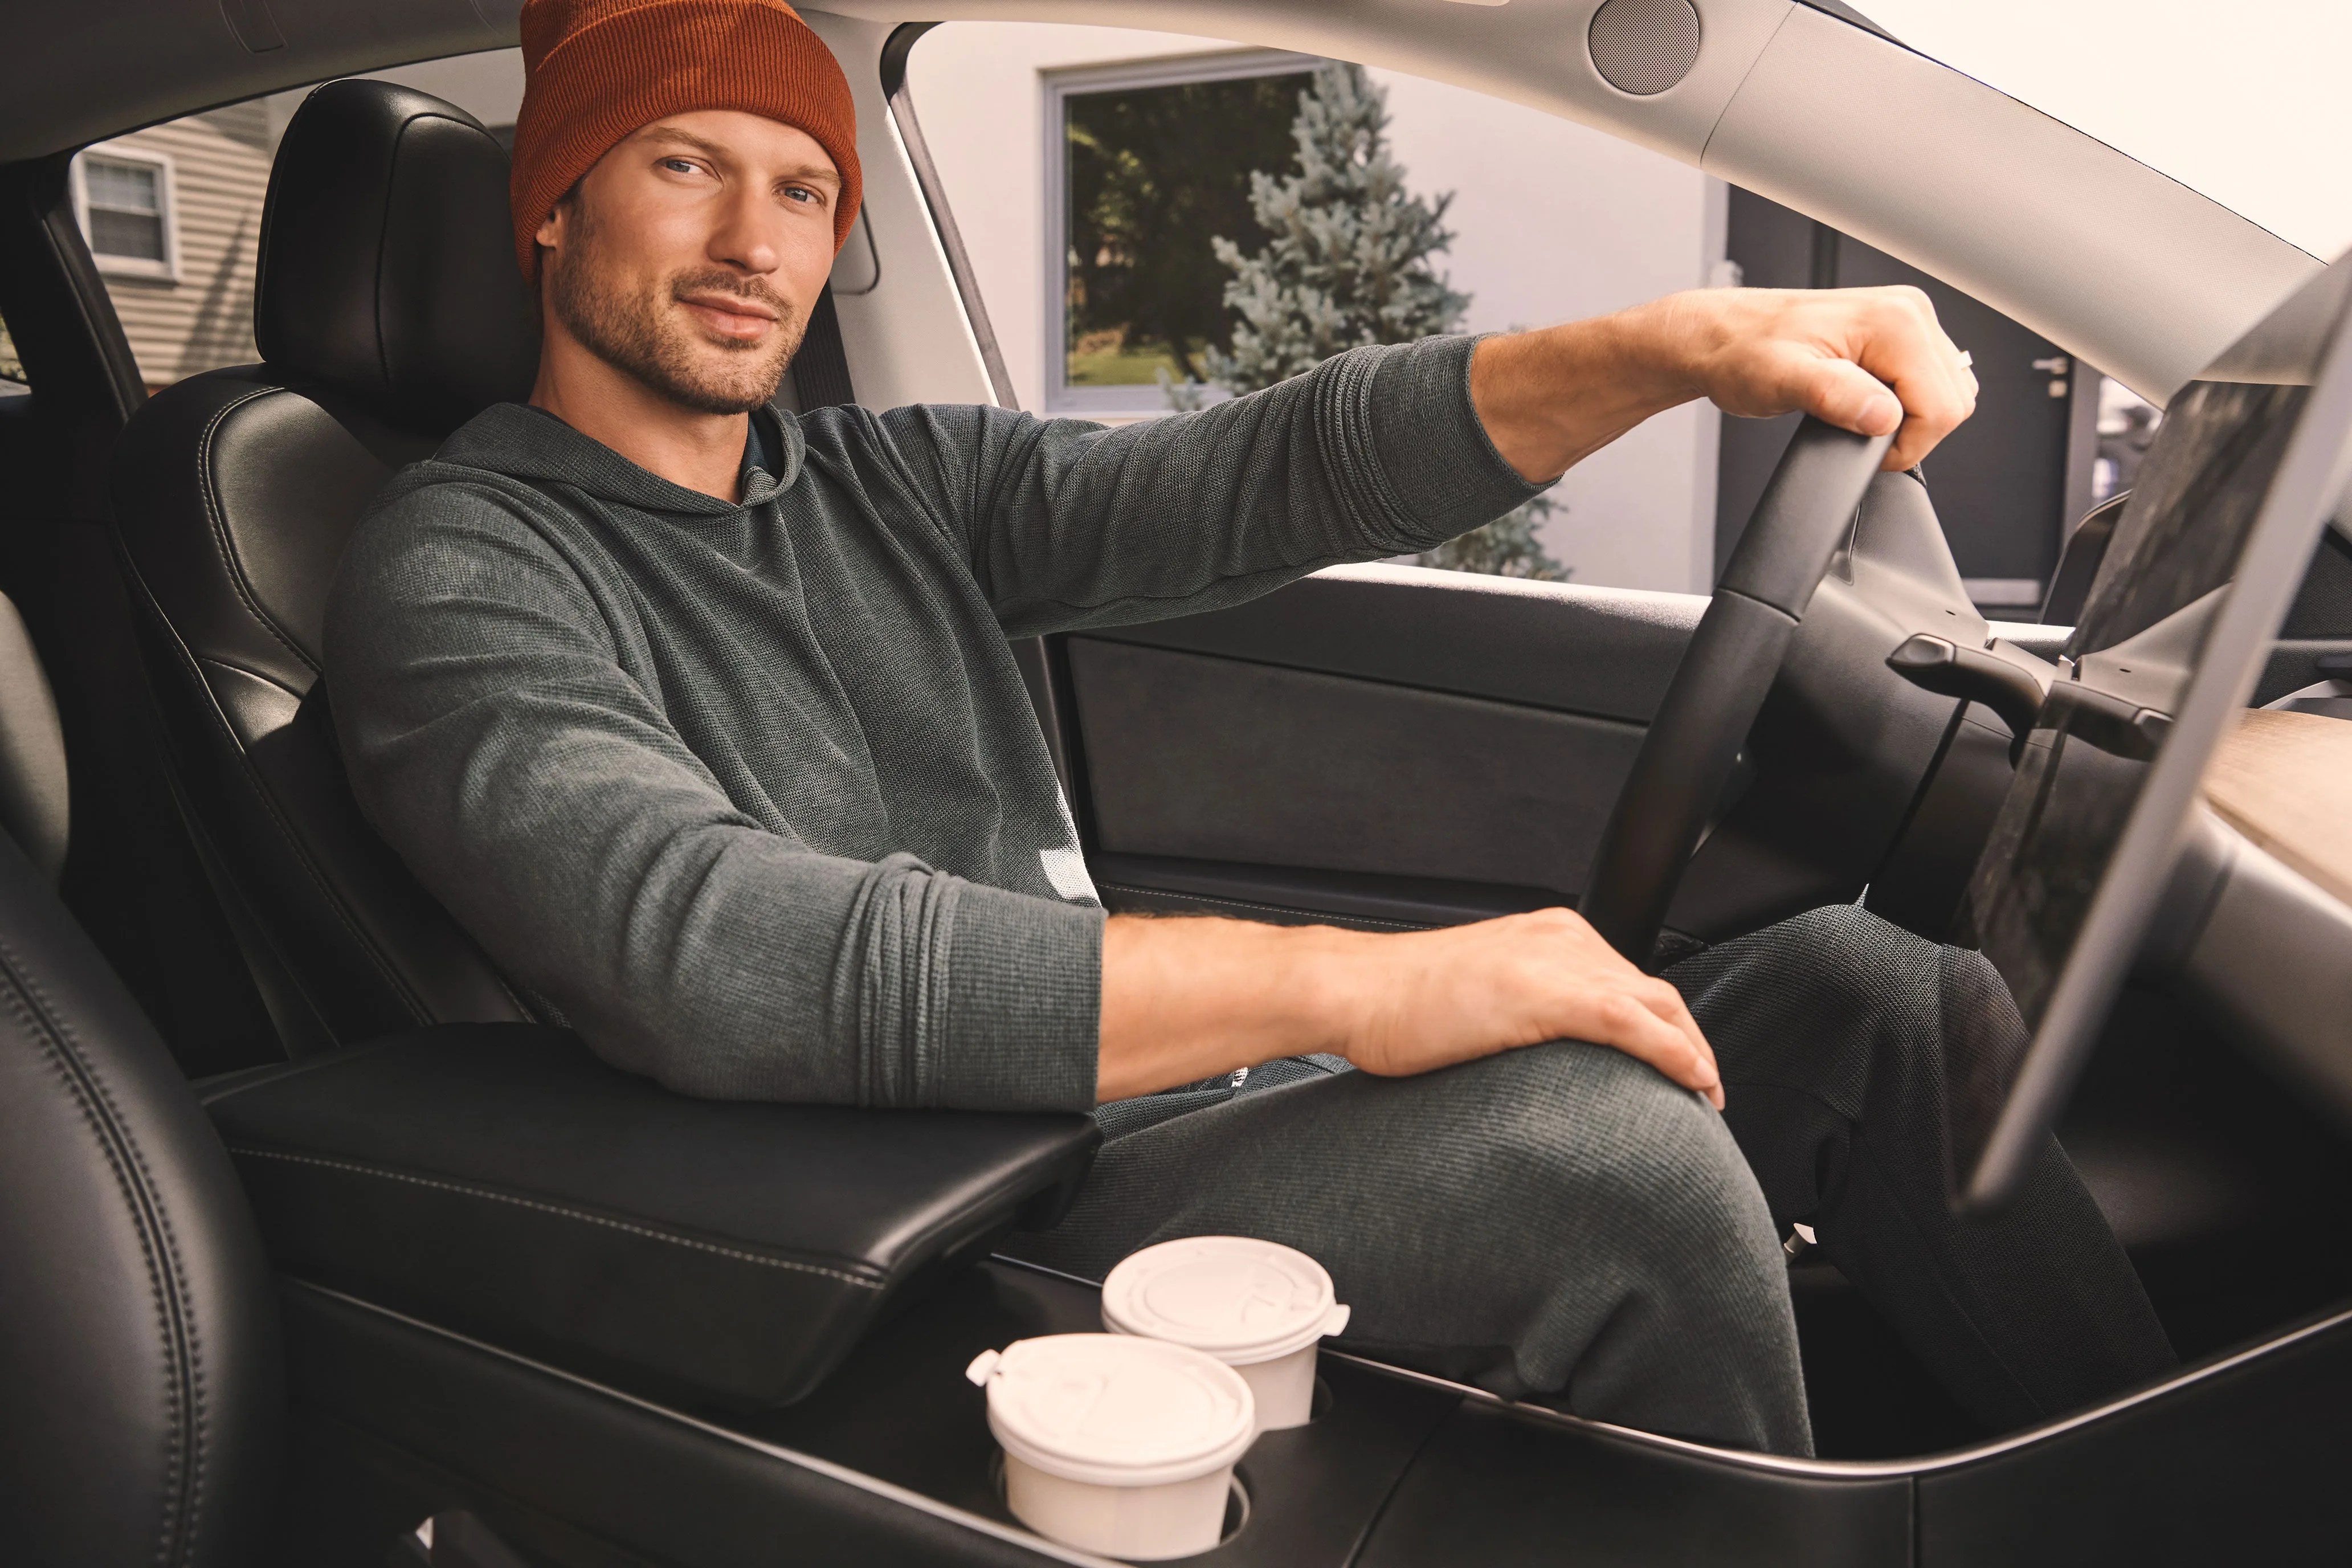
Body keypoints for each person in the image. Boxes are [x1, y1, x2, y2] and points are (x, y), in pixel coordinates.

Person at [322, 0, 2176, 1457]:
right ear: (553, 205)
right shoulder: (459, 568)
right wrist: (1353, 985)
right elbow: (713, 953)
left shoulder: (886, 482)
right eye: (681, 166)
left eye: (803, 187)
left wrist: (1682, 344)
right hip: (932, 1210)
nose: (755, 239)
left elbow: (1265, 477)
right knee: (1629, 1181)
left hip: (1146, 1114)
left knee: (1879, 997)